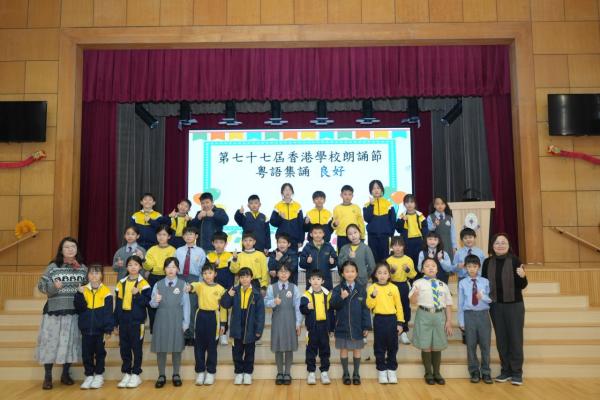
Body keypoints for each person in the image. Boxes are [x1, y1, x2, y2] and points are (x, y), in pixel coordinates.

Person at [36, 237, 88, 390]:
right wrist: (53, 287)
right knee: (50, 344)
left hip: (74, 312)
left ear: (77, 250)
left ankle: (65, 374)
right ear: (61, 250)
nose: (70, 249)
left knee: (69, 343)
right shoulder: (53, 267)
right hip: (54, 312)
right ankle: (48, 376)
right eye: (67, 247)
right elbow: (41, 286)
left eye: (73, 247)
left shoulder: (83, 268)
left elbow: (89, 287)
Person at [482, 233, 528, 386]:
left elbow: (522, 285)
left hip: (514, 305)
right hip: (495, 305)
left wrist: (523, 276)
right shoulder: (487, 262)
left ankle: (517, 372)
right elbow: (484, 284)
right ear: (492, 245)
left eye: (503, 242)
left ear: (508, 245)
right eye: (497, 242)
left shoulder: (515, 260)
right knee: (501, 339)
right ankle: (505, 370)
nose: (500, 245)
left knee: (515, 338)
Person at [409, 258, 453, 385]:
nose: (430, 268)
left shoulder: (443, 285)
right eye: (427, 266)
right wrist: (415, 295)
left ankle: (437, 373)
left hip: (439, 315)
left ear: (437, 269)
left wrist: (449, 321)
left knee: (437, 345)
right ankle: (428, 373)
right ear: (422, 269)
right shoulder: (418, 283)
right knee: (426, 345)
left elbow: (448, 304)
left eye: (433, 265)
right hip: (424, 314)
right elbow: (412, 301)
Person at [149, 257, 190, 388]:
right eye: (168, 267)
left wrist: (185, 323)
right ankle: (161, 375)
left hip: (177, 318)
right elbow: (152, 304)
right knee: (161, 348)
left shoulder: (183, 284)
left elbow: (186, 305)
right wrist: (155, 300)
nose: (171, 269)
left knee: (176, 348)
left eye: (173, 267)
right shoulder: (158, 284)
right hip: (161, 318)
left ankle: (176, 374)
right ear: (164, 269)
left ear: (178, 269)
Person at [220, 267, 266, 385]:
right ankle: (239, 373)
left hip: (250, 327)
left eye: (247, 276)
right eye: (242, 277)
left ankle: (248, 374)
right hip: (237, 326)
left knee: (250, 353)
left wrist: (259, 330)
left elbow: (260, 314)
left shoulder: (256, 293)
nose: (244, 279)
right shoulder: (234, 291)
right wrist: (228, 295)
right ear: (238, 279)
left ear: (251, 278)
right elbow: (224, 304)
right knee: (237, 352)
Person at [330, 260, 371, 385]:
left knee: (357, 350)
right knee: (343, 349)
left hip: (357, 326)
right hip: (342, 326)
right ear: (342, 274)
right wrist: (341, 297)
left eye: (352, 271)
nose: (350, 273)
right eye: (347, 271)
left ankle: (356, 373)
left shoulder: (361, 289)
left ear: (356, 273)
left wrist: (366, 326)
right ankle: (346, 373)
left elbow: (365, 309)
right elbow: (332, 305)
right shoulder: (337, 289)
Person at [114, 255, 151, 389]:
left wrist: (137, 294)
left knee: (136, 347)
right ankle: (127, 373)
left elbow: (147, 302)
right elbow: (118, 305)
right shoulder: (121, 283)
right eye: (130, 265)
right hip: (123, 320)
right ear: (126, 267)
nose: (133, 267)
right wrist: (115, 323)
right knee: (124, 348)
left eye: (136, 264)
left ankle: (136, 373)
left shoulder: (144, 284)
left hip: (137, 321)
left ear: (140, 267)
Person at [74, 264, 113, 390]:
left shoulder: (106, 292)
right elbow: (79, 308)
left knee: (100, 353)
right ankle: (89, 375)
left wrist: (108, 329)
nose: (94, 275)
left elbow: (108, 313)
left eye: (97, 273)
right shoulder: (83, 290)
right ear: (88, 275)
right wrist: (79, 294)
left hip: (100, 331)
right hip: (86, 330)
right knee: (86, 354)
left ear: (102, 275)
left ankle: (99, 375)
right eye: (91, 273)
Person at [187, 262, 227, 386]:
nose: (207, 275)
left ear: (215, 274)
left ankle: (210, 372)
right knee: (198, 346)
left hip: (214, 317)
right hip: (200, 316)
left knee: (212, 347)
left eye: (210, 273)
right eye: (204, 273)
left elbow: (224, 308)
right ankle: (200, 372)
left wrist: (223, 324)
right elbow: (193, 286)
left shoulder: (220, 289)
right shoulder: (200, 285)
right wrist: (189, 287)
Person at [366, 262, 404, 384]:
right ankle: (381, 369)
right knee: (379, 346)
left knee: (393, 345)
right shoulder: (372, 288)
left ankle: (392, 369)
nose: (382, 275)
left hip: (392, 319)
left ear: (389, 275)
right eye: (379, 273)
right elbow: (369, 305)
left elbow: (399, 306)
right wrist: (373, 296)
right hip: (379, 319)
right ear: (375, 275)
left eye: (385, 273)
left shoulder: (394, 288)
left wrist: (400, 323)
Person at [264, 264, 302, 385]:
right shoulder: (272, 287)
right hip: (278, 320)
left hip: (290, 320)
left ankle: (287, 373)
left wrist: (298, 323)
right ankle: (279, 372)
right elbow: (266, 302)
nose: (284, 274)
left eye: (286, 271)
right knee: (278, 347)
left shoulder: (294, 288)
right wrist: (274, 302)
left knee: (289, 347)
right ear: (277, 274)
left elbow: (298, 307)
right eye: (281, 271)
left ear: (290, 274)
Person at [457, 255, 493, 384]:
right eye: (469, 266)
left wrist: (483, 297)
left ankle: (486, 372)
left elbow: (490, 299)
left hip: (483, 315)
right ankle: (474, 371)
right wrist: (461, 321)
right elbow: (460, 303)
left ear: (479, 267)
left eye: (474, 266)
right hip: (469, 315)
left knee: (485, 345)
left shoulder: (485, 281)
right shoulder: (462, 283)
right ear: (465, 268)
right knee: (471, 345)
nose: (472, 269)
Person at [300, 269, 333, 385]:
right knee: (311, 350)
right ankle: (311, 372)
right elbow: (302, 309)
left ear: (322, 281)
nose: (315, 281)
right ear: (309, 280)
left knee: (325, 350)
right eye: (313, 279)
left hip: (324, 327)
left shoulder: (327, 294)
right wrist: (306, 307)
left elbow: (331, 312)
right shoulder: (306, 295)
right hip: (312, 328)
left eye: (318, 279)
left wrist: (331, 328)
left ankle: (324, 372)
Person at [175, 226, 206, 345]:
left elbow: (202, 269)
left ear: (196, 236)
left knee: (192, 309)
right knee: (181, 308)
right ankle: (182, 335)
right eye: (186, 234)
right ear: (183, 237)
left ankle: (192, 335)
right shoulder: (178, 251)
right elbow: (174, 267)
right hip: (180, 278)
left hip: (194, 280)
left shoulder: (200, 251)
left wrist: (200, 284)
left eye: (191, 234)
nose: (188, 236)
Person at [143, 225, 176, 332]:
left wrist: (154, 268)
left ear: (169, 236)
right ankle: (154, 329)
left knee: (167, 304)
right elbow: (148, 266)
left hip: (167, 279)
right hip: (153, 278)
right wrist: (147, 263)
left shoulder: (172, 250)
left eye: (164, 234)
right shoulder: (151, 250)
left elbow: (169, 266)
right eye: (159, 234)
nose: (161, 237)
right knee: (153, 303)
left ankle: (167, 329)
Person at [387, 236, 416, 345]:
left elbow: (413, 275)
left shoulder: (408, 259)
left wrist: (407, 270)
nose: (398, 248)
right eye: (395, 245)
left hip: (403, 286)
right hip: (391, 286)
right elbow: (384, 277)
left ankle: (404, 331)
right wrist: (391, 272)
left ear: (403, 246)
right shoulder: (389, 260)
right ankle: (393, 331)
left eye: (400, 245)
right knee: (392, 308)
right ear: (391, 247)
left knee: (405, 308)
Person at [207, 231, 234, 345]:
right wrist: (214, 265)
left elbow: (233, 271)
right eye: (216, 242)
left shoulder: (230, 256)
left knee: (224, 310)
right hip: (211, 287)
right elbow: (206, 272)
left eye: (221, 242)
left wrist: (229, 289)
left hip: (225, 288)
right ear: (213, 243)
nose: (219, 245)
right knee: (212, 309)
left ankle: (223, 333)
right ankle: (213, 332)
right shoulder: (209, 256)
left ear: (225, 244)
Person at [363, 180, 396, 262]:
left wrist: (391, 234)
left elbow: (392, 220)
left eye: (378, 188)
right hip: (372, 236)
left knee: (385, 259)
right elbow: (367, 218)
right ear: (371, 191)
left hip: (385, 236)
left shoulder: (388, 204)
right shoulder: (367, 205)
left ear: (382, 190)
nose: (376, 190)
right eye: (373, 188)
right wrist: (371, 205)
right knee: (373, 259)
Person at [299, 224, 337, 290]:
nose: (318, 235)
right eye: (315, 233)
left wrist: (333, 262)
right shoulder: (307, 248)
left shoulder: (329, 247)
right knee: (311, 296)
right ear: (311, 234)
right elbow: (301, 264)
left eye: (320, 233)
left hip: (326, 281)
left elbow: (335, 262)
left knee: (327, 296)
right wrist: (307, 261)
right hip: (312, 281)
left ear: (323, 234)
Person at [395, 194, 428, 267]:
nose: (409, 204)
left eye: (411, 202)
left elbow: (425, 230)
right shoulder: (402, 216)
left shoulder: (420, 215)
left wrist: (425, 242)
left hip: (419, 241)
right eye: (407, 202)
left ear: (415, 204)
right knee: (408, 261)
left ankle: (418, 274)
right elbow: (398, 229)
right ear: (404, 204)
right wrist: (402, 221)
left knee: (419, 261)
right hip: (407, 242)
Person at [270, 183, 304, 249]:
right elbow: (272, 222)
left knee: (293, 255)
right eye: (285, 190)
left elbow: (301, 225)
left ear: (292, 192)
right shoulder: (278, 206)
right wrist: (280, 217)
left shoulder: (297, 206)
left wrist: (301, 240)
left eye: (289, 190)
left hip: (294, 239)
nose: (287, 192)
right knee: (281, 256)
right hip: (281, 239)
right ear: (282, 192)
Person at [332, 185, 366, 251]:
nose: (347, 196)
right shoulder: (337, 208)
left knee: (355, 255)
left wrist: (362, 236)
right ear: (341, 195)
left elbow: (361, 223)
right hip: (342, 236)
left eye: (350, 194)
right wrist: (334, 224)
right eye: (345, 194)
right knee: (342, 255)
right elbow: (333, 224)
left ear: (352, 196)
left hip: (354, 236)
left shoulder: (356, 207)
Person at [427, 197, 457, 261]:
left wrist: (454, 247)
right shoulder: (430, 217)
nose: (440, 206)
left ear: (445, 205)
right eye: (437, 204)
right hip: (436, 245)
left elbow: (453, 233)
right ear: (434, 205)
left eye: (442, 203)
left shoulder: (449, 218)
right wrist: (434, 225)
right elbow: (429, 230)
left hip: (448, 245)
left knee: (448, 262)